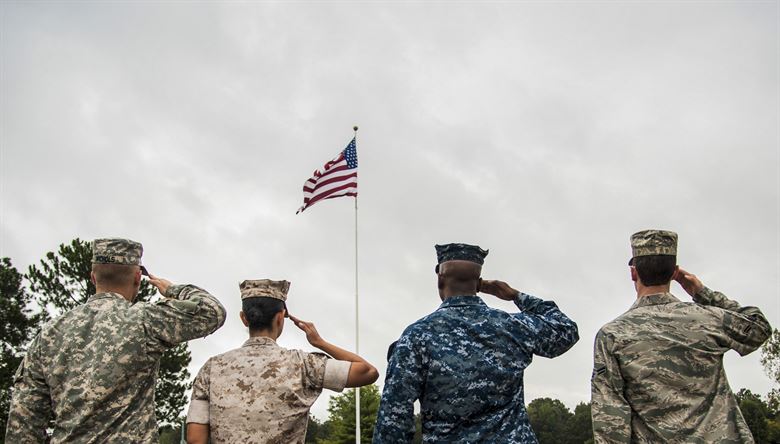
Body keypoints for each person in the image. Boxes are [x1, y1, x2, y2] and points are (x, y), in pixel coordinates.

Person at [5, 238, 226, 443]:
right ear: (138, 278)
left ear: (93, 278)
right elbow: (212, 311)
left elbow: (24, 420)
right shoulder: (144, 320)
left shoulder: (49, 334)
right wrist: (173, 290)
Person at [373, 243, 580, 442]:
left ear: (439, 279)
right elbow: (566, 330)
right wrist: (516, 296)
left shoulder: (415, 337)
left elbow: (394, 419)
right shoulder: (512, 326)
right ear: (479, 282)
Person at [591, 229, 772, 442]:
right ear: (674, 272)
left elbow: (610, 419)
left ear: (633, 272)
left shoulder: (613, 335)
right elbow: (758, 328)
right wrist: (702, 293)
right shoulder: (707, 319)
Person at [185, 279, 379, 444]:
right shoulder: (304, 364)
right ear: (280, 318)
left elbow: (195, 439)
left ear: (244, 318)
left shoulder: (212, 367)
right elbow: (368, 372)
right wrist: (320, 343)